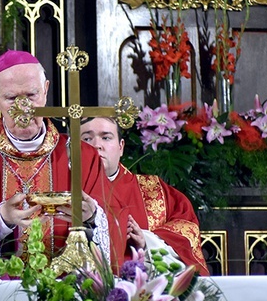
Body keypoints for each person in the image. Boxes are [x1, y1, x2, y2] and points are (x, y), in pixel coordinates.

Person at [0, 50, 127, 281]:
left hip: (67, 290)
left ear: (45, 90)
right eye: (11, 98)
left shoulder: (82, 156)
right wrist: (1, 218)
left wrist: (91, 217)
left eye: (31, 95)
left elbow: (112, 225)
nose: (24, 108)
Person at [80, 116, 208, 273]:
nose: (96, 145)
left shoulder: (155, 192)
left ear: (121, 147)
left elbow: (187, 237)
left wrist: (146, 241)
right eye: (87, 138)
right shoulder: (61, 191)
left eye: (106, 137)